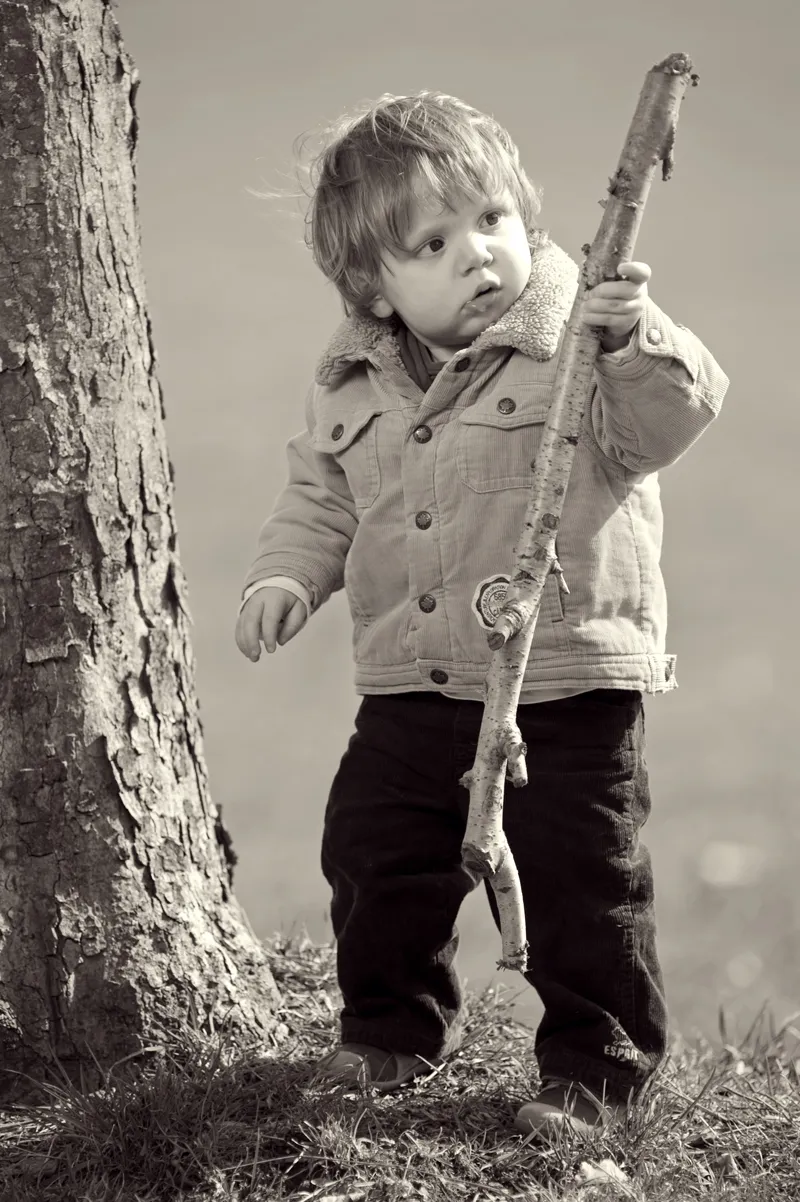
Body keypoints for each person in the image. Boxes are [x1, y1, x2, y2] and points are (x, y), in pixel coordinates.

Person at [234, 91, 729, 1140]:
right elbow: (319, 497)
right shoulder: (351, 377)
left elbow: (669, 417)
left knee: (579, 879)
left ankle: (595, 1070)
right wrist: (283, 579)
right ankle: (388, 1031)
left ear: (530, 221)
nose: (477, 253)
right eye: (433, 240)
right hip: (411, 679)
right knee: (371, 851)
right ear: (372, 288)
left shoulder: (577, 342)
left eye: (493, 219)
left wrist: (633, 335)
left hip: (561, 680)